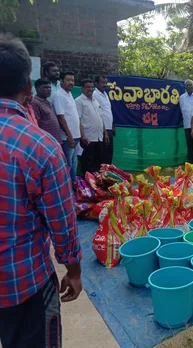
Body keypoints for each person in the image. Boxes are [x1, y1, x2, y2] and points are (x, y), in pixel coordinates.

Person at [0, 33, 82, 348]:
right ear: (27, 88)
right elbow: (62, 222)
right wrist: (72, 270)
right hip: (25, 283)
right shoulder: (40, 147)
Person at [53, 71, 81, 182]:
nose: (71, 82)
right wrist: (69, 136)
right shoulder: (59, 95)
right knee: (68, 164)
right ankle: (67, 190)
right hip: (67, 138)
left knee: (74, 163)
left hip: (75, 136)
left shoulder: (69, 94)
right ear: (61, 81)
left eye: (72, 80)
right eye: (68, 80)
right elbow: (61, 117)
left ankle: (73, 187)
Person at [76, 79, 107, 174]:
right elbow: (78, 120)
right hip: (88, 139)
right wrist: (82, 136)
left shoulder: (95, 100)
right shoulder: (78, 101)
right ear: (82, 89)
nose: (90, 89)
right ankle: (86, 187)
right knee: (87, 165)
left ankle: (96, 186)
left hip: (99, 138)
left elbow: (101, 117)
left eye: (91, 87)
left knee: (98, 164)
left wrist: (105, 133)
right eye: (88, 87)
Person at [31, 78, 62, 142]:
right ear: (37, 88)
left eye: (50, 87)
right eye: (45, 87)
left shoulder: (48, 102)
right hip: (45, 141)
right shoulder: (35, 103)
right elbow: (36, 124)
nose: (49, 89)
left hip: (54, 139)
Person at [93, 75, 115, 165]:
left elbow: (107, 111)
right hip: (102, 129)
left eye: (106, 83)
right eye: (102, 82)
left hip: (109, 128)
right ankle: (102, 175)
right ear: (96, 83)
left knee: (109, 153)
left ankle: (108, 175)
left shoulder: (105, 94)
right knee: (103, 154)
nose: (105, 85)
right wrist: (104, 131)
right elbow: (99, 114)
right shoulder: (95, 95)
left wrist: (112, 126)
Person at [179, 79, 193, 163]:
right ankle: (191, 161)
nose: (189, 87)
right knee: (189, 144)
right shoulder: (182, 97)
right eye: (187, 85)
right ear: (184, 87)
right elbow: (182, 110)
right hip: (187, 124)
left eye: (190, 85)